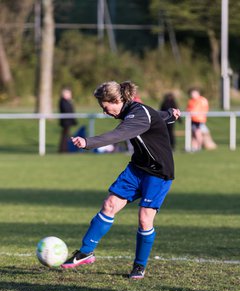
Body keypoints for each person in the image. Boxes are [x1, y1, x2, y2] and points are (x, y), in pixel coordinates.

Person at [61, 81, 181, 279]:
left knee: (144, 219)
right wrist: (170, 114)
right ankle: (85, 252)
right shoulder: (134, 112)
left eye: (105, 108)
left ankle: (139, 266)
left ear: (117, 100)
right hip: (137, 168)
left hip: (158, 172)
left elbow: (119, 134)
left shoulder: (138, 114)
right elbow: (156, 116)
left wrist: (88, 142)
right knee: (109, 204)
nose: (105, 112)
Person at [58, 87, 77, 153]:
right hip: (65, 122)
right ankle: (63, 150)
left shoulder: (67, 101)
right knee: (65, 136)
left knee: (66, 136)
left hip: (68, 122)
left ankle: (65, 149)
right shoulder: (63, 101)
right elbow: (67, 110)